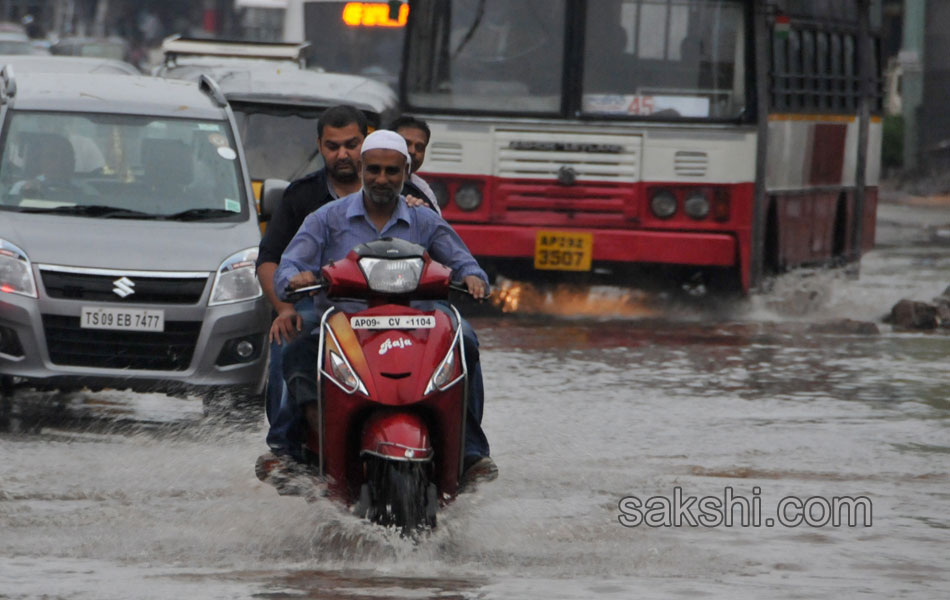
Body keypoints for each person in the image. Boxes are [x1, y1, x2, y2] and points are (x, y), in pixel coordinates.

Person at [268, 130, 497, 491]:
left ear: (406, 172)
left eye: (391, 171)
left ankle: (470, 452)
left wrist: (474, 280)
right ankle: (286, 449)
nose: (381, 179)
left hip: (417, 326)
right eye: (373, 169)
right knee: (296, 345)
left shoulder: (425, 220)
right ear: (361, 168)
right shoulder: (326, 217)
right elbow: (288, 267)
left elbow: (465, 262)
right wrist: (297, 278)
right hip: (344, 325)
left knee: (464, 339)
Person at [255, 105, 369, 468]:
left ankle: (463, 450)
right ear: (320, 146)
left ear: (366, 141)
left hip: (392, 306)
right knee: (288, 339)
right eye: (333, 146)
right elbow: (270, 260)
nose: (343, 154)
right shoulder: (302, 197)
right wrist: (284, 308)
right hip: (319, 306)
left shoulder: (399, 191)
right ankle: (285, 449)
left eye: (351, 144)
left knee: (457, 340)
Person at [391, 115, 440, 214]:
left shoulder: (423, 189)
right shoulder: (365, 183)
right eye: (406, 143)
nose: (412, 151)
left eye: (419, 147)